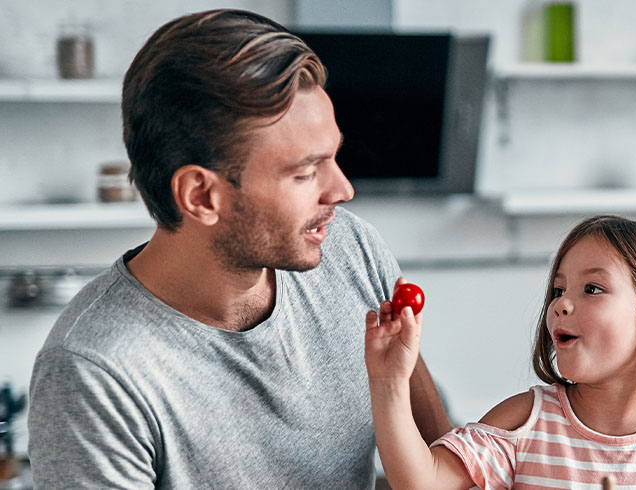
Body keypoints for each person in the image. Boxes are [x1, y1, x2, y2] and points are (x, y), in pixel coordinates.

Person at [27, 9, 450, 489]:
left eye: (334, 156)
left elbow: (440, 466)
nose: (342, 190)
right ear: (202, 196)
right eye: (305, 172)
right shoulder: (95, 373)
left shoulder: (351, 250)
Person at [364, 215, 636, 489]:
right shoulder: (526, 420)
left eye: (591, 289)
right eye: (559, 290)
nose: (560, 305)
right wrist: (388, 382)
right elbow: (422, 482)